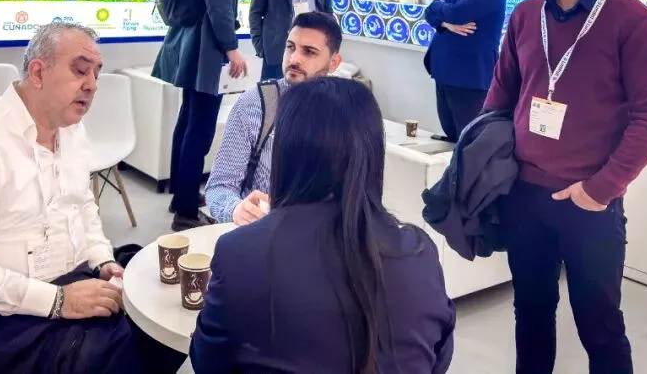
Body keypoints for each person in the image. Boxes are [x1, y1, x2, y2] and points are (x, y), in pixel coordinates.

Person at [0, 23, 184, 374]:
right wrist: (59, 301)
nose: (92, 84)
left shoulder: (72, 130)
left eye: (96, 73)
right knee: (136, 345)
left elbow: (82, 206)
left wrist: (102, 261)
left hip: (71, 279)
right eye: (80, 70)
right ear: (38, 73)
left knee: (164, 301)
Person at [483, 0, 647, 374]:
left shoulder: (633, 21)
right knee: (530, 313)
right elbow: (500, 99)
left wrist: (599, 190)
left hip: (588, 203)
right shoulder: (525, 16)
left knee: (600, 326)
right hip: (524, 194)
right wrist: (483, 167)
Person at [189, 76, 456, 373]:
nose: (294, 60)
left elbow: (207, 361)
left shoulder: (239, 253)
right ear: (373, 154)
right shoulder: (419, 254)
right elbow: (438, 357)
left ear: (286, 153)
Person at [152, 0, 248, 231]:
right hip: (207, 51)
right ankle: (186, 213)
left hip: (188, 47)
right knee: (200, 128)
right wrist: (231, 47)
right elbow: (219, 4)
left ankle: (183, 195)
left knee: (188, 121)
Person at [205, 11, 343, 225]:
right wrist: (235, 210)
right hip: (260, 231)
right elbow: (219, 187)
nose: (294, 59)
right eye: (290, 47)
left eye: (309, 52)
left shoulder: (342, 113)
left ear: (334, 62)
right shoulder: (256, 103)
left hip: (320, 234)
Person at [423, 0, 507, 141]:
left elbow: (459, 13)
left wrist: (443, 12)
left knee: (470, 138)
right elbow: (429, 12)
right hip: (444, 72)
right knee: (451, 133)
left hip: (469, 76)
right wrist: (446, 23)